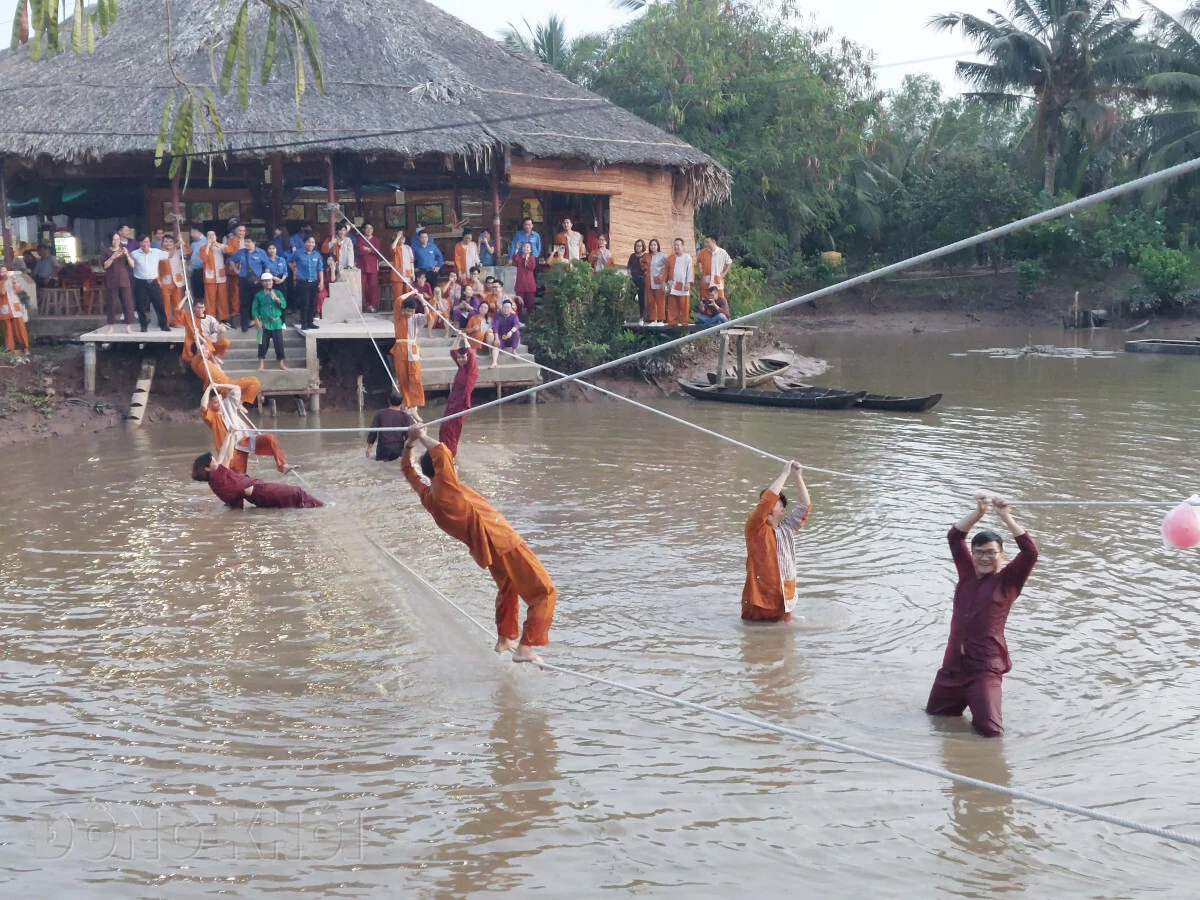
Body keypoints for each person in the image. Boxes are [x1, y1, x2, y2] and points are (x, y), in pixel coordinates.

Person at [402, 427, 556, 662]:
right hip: (500, 540)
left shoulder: (429, 498)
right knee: (545, 592)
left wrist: (409, 444)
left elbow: (408, 471)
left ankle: (504, 639)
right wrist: (421, 436)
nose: (454, 467)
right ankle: (526, 647)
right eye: (452, 467)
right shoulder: (448, 493)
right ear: (444, 472)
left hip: (488, 548)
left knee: (508, 587)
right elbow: (442, 452)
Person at [925, 495, 1038, 738]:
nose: (984, 558)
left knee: (991, 733)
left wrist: (1005, 516)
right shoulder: (966, 572)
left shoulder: (1008, 581)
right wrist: (978, 512)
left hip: (984, 669)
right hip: (953, 667)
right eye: (979, 553)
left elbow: (1030, 552)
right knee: (935, 719)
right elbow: (955, 537)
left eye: (990, 553)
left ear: (1001, 556)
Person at [742, 461, 811, 623]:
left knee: (785, 645)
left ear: (782, 511)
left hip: (784, 599)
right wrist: (784, 474)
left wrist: (797, 477)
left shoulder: (787, 528)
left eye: (775, 505)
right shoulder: (754, 529)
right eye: (767, 505)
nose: (769, 507)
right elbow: (765, 503)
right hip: (758, 602)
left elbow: (804, 506)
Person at [193, 434, 321, 509]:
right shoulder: (218, 477)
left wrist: (230, 434)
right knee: (297, 493)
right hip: (260, 492)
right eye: (213, 461)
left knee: (295, 500)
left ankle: (320, 506)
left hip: (258, 494)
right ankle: (326, 507)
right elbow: (227, 457)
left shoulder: (214, 479)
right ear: (207, 468)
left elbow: (222, 454)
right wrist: (231, 437)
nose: (216, 461)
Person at [199, 384, 287, 475]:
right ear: (210, 404)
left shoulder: (229, 407)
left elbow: (236, 389)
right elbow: (203, 406)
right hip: (231, 449)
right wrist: (209, 388)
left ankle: (282, 465)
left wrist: (219, 385)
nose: (220, 404)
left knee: (270, 438)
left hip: (244, 441)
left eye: (221, 400)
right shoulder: (212, 416)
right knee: (238, 477)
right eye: (216, 402)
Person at [190, 336, 260, 406]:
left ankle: (240, 402)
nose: (207, 350)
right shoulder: (196, 362)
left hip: (229, 382)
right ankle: (239, 403)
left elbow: (219, 343)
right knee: (254, 383)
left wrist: (201, 338)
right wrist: (199, 344)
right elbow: (201, 354)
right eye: (204, 349)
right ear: (198, 351)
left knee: (254, 380)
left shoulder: (206, 359)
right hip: (223, 386)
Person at [439, 334, 479, 456]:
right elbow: (452, 352)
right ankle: (444, 451)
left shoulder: (470, 369)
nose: (460, 359)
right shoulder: (461, 367)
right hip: (452, 403)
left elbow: (471, 355)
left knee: (452, 430)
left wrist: (465, 339)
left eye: (463, 357)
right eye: (459, 357)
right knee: (444, 428)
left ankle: (450, 454)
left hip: (461, 404)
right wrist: (458, 338)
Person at [390, 296, 425, 411]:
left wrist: (423, 301)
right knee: (402, 378)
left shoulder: (416, 318)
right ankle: (407, 403)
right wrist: (412, 292)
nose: (410, 313)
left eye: (412, 311)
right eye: (408, 310)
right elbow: (399, 299)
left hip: (412, 351)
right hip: (400, 350)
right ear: (403, 309)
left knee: (415, 377)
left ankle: (414, 406)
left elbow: (428, 316)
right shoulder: (398, 317)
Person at [130, 234, 171, 332]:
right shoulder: (134, 254)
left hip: (153, 282)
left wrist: (175, 245)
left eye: (147, 242)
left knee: (159, 304)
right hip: (140, 282)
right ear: (139, 243)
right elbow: (130, 264)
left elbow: (169, 255)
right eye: (143, 242)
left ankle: (163, 325)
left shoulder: (156, 252)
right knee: (140, 305)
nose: (145, 244)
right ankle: (143, 326)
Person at [251, 271, 288, 371]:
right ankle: (261, 365)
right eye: (266, 281)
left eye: (270, 281)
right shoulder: (258, 295)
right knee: (261, 344)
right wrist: (256, 320)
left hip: (276, 323)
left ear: (272, 282)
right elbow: (254, 308)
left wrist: (276, 298)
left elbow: (283, 305)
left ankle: (281, 364)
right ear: (262, 283)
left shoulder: (278, 293)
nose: (268, 283)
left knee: (279, 343)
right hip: (263, 323)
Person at [229, 235, 266, 332]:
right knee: (244, 302)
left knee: (257, 301)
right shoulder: (241, 252)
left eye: (248, 241)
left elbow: (266, 265)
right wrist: (236, 270)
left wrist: (265, 279)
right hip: (244, 280)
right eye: (245, 241)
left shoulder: (261, 252)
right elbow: (232, 260)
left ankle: (256, 321)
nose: (246, 243)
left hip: (257, 281)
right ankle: (244, 324)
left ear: (254, 243)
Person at [101, 231, 136, 334]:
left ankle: (128, 326)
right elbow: (105, 266)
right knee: (112, 303)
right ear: (110, 240)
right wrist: (113, 256)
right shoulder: (106, 251)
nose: (116, 241)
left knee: (127, 302)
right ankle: (111, 326)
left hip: (124, 279)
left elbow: (132, 265)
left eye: (118, 239)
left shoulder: (124, 250)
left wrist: (127, 255)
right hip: (112, 279)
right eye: (114, 239)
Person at [366, 390, 413, 462]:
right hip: (398, 449)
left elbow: (373, 431)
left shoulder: (380, 413)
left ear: (388, 401)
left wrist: (369, 448)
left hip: (383, 448)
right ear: (402, 402)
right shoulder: (405, 416)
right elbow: (408, 436)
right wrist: (409, 452)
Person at [289, 234, 324, 329]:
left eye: (312, 242)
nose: (311, 244)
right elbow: (289, 261)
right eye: (309, 242)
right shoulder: (298, 253)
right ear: (304, 243)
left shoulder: (317, 255)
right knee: (305, 302)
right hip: (303, 281)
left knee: (313, 302)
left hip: (314, 281)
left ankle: (310, 322)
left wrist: (321, 282)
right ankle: (304, 323)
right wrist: (295, 271)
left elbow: (320, 269)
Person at [182, 298, 229, 364]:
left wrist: (221, 328)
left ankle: (213, 356)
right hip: (198, 343)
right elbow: (178, 310)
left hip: (209, 343)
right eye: (198, 307)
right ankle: (212, 358)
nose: (200, 309)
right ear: (194, 308)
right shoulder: (190, 317)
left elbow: (216, 327)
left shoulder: (210, 318)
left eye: (202, 307)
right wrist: (185, 297)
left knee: (225, 342)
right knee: (206, 341)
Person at [199, 231, 230, 324]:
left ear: (216, 236)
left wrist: (217, 244)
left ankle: (224, 317)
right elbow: (204, 258)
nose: (211, 237)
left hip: (220, 276)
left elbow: (230, 250)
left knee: (222, 298)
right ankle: (210, 317)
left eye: (213, 235)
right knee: (210, 299)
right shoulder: (203, 248)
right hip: (210, 277)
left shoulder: (221, 246)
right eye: (209, 235)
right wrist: (208, 245)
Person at [156, 233, 187, 326]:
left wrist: (182, 242)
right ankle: (166, 322)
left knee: (177, 303)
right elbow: (168, 256)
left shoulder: (178, 251)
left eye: (170, 241)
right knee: (165, 304)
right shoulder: (159, 253)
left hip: (177, 281)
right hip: (165, 281)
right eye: (166, 241)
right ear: (162, 242)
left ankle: (178, 321)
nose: (168, 243)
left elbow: (187, 252)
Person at [664, 238, 694, 326]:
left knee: (684, 305)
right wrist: (664, 282)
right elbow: (666, 270)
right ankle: (672, 321)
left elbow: (690, 270)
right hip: (672, 284)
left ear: (682, 246)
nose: (676, 247)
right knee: (672, 304)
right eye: (675, 245)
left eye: (678, 245)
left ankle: (684, 322)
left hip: (683, 284)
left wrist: (689, 282)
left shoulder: (687, 257)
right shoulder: (670, 258)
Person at [0, 266, 30, 354]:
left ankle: (25, 347)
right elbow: (2, 292)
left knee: (20, 329)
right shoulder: (2, 281)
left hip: (15, 307)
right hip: (5, 309)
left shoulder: (11, 280)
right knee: (7, 330)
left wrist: (14, 280)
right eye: (2, 272)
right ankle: (10, 349)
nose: (4, 273)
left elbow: (18, 291)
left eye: (6, 271)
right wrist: (4, 280)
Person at [465, 299, 499, 367]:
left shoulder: (489, 319)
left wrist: (490, 330)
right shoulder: (473, 318)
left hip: (485, 341)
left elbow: (492, 329)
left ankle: (490, 352)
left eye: (485, 308)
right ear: (479, 308)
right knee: (479, 334)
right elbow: (467, 331)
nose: (483, 309)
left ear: (487, 310)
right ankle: (474, 353)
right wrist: (472, 329)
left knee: (490, 334)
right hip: (474, 339)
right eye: (482, 307)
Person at [697, 234, 732, 299]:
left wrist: (724, 273)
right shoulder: (703, 252)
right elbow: (698, 261)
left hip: (717, 281)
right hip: (706, 281)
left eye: (708, 242)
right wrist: (700, 272)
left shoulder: (722, 252)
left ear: (713, 242)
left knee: (720, 301)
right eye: (705, 242)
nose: (706, 244)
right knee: (706, 301)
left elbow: (729, 262)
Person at [357, 223, 382, 312]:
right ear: (363, 229)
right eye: (367, 228)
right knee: (362, 286)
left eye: (371, 228)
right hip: (362, 265)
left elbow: (377, 251)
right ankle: (362, 305)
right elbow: (360, 250)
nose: (369, 230)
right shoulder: (360, 238)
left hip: (372, 265)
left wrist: (368, 249)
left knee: (373, 286)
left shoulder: (376, 239)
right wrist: (371, 250)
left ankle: (372, 305)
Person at [642, 238, 667, 325]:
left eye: (654, 245)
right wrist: (645, 269)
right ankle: (653, 319)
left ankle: (661, 319)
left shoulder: (662, 255)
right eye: (651, 245)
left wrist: (663, 274)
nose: (653, 247)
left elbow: (669, 264)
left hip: (659, 280)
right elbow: (641, 262)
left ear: (658, 246)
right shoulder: (647, 256)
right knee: (651, 301)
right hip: (649, 281)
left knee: (660, 301)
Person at [492, 298, 520, 367]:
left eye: (508, 307)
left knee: (516, 332)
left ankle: (514, 350)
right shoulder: (497, 316)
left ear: (511, 308)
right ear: (502, 307)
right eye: (504, 307)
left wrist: (511, 331)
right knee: (496, 345)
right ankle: (494, 362)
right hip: (501, 337)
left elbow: (517, 325)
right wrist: (496, 338)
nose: (506, 309)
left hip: (510, 337)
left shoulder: (514, 316)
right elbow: (495, 327)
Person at [390, 228, 415, 306]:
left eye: (402, 238)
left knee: (408, 294)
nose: (401, 240)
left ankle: (407, 310)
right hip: (398, 274)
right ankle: (397, 311)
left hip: (408, 273)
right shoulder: (395, 247)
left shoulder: (408, 248)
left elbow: (411, 262)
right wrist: (397, 237)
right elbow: (392, 248)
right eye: (399, 239)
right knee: (398, 295)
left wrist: (413, 273)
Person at [513, 241, 538, 316]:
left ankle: (531, 322)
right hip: (520, 284)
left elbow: (531, 267)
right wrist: (517, 248)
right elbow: (514, 259)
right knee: (519, 304)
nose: (526, 248)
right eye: (524, 247)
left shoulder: (532, 258)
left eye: (527, 247)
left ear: (530, 250)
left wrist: (527, 258)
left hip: (529, 284)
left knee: (530, 304)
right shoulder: (519, 258)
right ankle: (518, 321)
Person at [627, 239, 647, 320]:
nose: (638, 247)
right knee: (629, 298)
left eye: (639, 246)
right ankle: (627, 316)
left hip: (642, 280)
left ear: (643, 247)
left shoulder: (646, 256)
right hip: (633, 280)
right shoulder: (632, 256)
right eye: (636, 246)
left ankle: (642, 317)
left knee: (641, 299)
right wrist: (628, 275)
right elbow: (629, 267)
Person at [187, 226, 206, 302]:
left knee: (202, 291)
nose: (191, 234)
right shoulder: (194, 243)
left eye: (192, 232)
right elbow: (189, 254)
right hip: (194, 270)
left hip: (203, 269)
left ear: (197, 231)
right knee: (195, 290)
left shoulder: (205, 241)